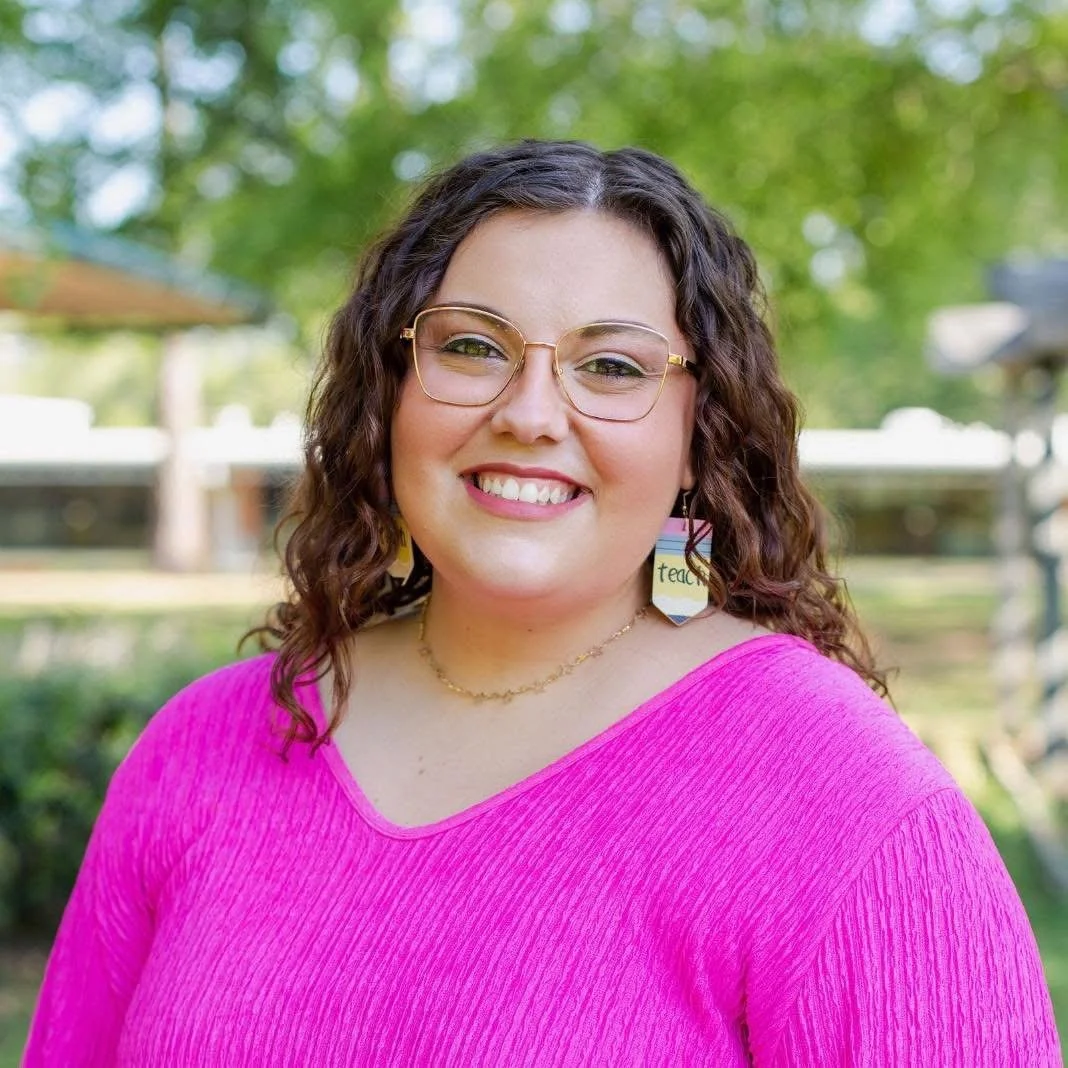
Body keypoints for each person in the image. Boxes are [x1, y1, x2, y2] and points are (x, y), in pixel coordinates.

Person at [24, 140, 1061, 1066]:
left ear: (700, 431)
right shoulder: (207, 747)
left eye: (611, 366)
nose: (527, 413)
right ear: (391, 389)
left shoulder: (845, 805)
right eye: (472, 346)